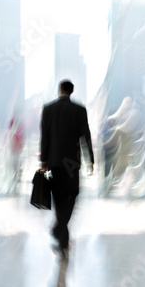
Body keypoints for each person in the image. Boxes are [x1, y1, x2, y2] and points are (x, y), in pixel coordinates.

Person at [40, 80, 94, 257]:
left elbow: (45, 136)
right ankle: (61, 234)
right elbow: (86, 136)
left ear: (60, 90)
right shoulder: (80, 110)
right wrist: (90, 159)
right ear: (71, 91)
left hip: (54, 162)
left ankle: (59, 230)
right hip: (72, 163)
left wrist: (44, 159)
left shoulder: (48, 109)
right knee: (73, 194)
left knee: (59, 197)